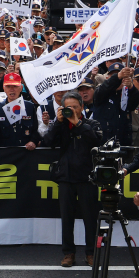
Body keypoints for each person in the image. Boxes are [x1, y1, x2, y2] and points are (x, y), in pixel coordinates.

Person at [43, 91, 103, 268]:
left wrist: (77, 123)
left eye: (75, 107)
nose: (72, 110)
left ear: (82, 108)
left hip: (87, 178)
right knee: (66, 218)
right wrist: (58, 123)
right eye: (68, 108)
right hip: (66, 178)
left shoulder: (91, 123)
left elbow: (97, 142)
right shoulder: (60, 125)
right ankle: (68, 253)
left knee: (90, 218)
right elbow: (47, 142)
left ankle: (91, 253)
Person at [0, 73, 40, 149]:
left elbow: (35, 130)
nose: (12, 89)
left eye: (15, 86)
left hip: (25, 152)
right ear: (4, 88)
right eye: (8, 86)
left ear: (21, 87)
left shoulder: (29, 106)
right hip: (5, 153)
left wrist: (33, 141)